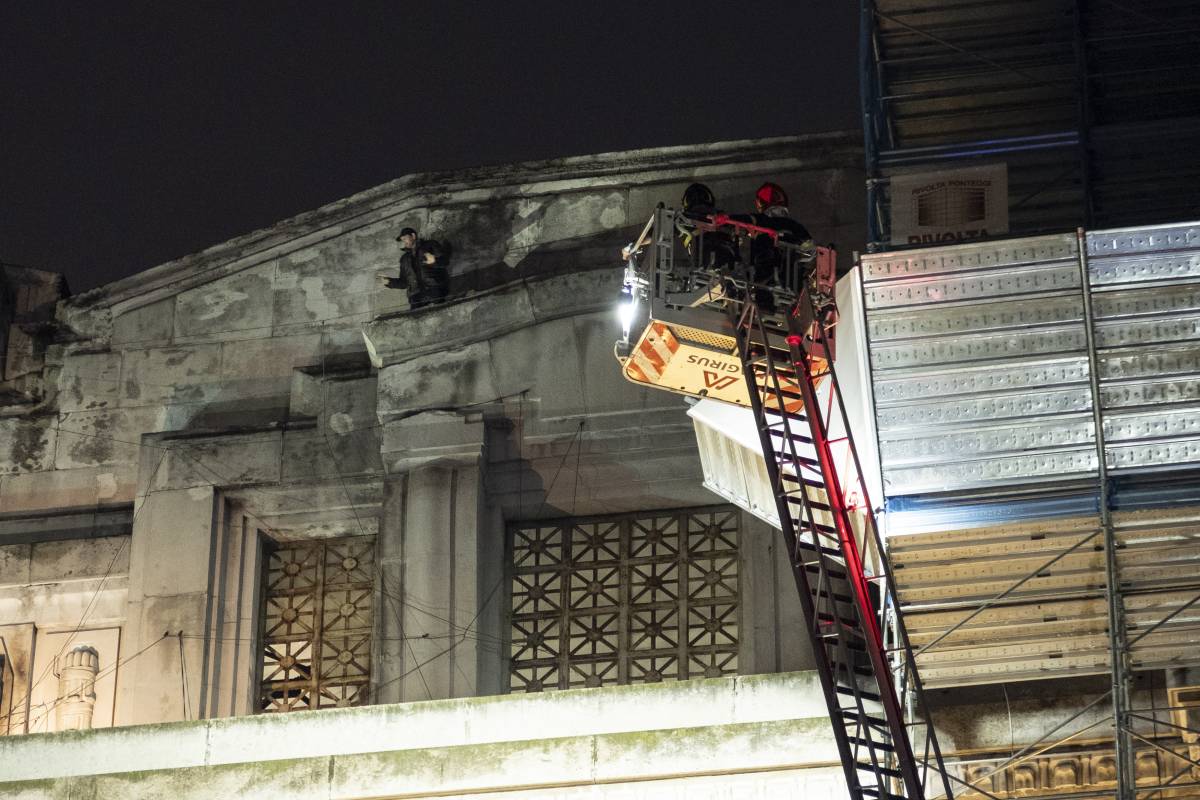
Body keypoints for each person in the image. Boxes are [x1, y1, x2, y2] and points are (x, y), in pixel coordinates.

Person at [377, 226, 450, 308]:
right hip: (415, 296)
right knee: (417, 318)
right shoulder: (404, 259)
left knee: (439, 313)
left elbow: (445, 261)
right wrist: (389, 282)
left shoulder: (430, 245)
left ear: (413, 236)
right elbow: (404, 282)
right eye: (402, 240)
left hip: (434, 289)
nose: (404, 241)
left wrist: (434, 261)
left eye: (405, 238)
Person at [677, 183, 737, 271]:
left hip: (702, 261)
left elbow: (656, 235)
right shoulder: (722, 217)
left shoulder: (682, 219)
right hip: (727, 256)